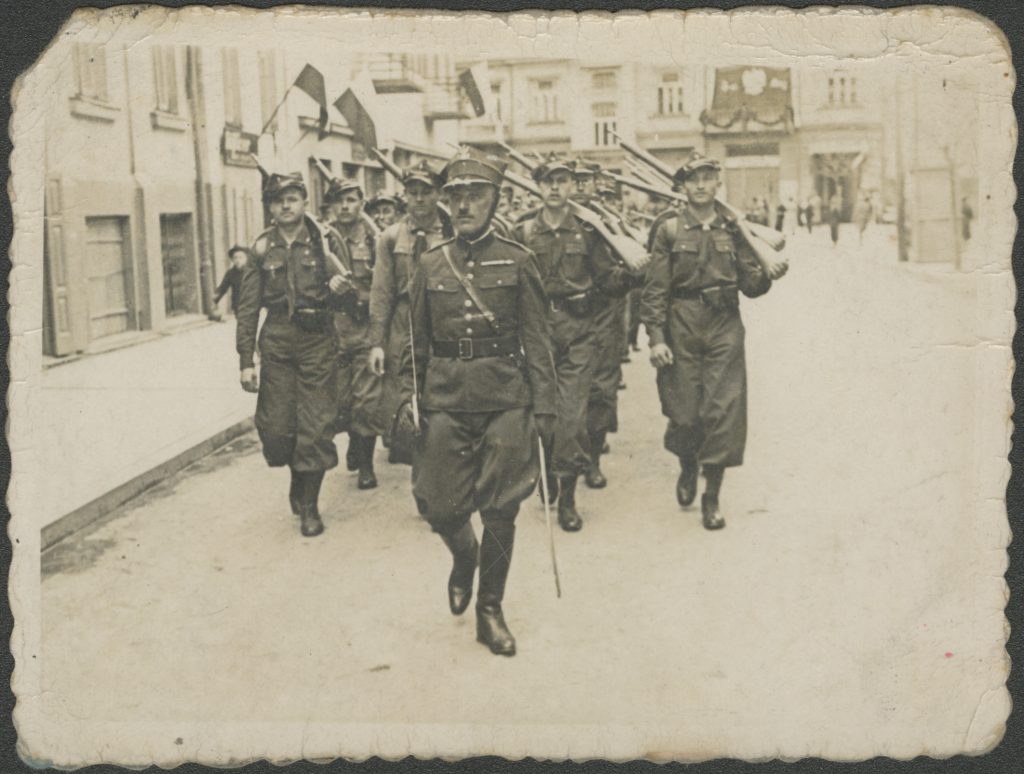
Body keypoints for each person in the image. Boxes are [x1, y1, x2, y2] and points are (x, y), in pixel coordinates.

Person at [396, 146, 555, 657]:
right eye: (457, 196)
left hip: (505, 396)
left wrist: (546, 409)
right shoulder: (429, 263)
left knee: (501, 509)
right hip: (444, 396)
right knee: (436, 504)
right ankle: (465, 556)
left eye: (476, 195)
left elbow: (538, 339)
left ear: (495, 200)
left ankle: (490, 608)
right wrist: (406, 396)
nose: (464, 206)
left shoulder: (519, 260)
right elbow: (413, 342)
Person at [640, 152, 774, 531]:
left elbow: (751, 285)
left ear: (718, 183)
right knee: (685, 413)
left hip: (723, 324)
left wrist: (768, 270)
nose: (700, 185)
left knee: (723, 410)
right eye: (693, 179)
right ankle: (688, 464)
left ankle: (711, 495)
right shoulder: (668, 229)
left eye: (707, 178)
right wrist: (656, 338)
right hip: (681, 323)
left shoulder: (734, 228)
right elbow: (655, 290)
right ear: (683, 186)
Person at [514, 156, 633, 530]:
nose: (555, 187)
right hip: (537, 332)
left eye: (562, 180)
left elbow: (606, 279)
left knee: (571, 417)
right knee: (542, 415)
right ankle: (548, 469)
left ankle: (567, 496)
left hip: (579, 332)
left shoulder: (588, 231)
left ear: (570, 186)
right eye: (548, 181)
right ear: (538, 186)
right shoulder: (523, 232)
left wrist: (632, 275)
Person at [235, 171, 352, 537]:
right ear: (270, 207)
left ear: (304, 202)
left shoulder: (325, 241)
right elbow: (248, 308)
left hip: (318, 341)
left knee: (315, 426)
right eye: (278, 200)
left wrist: (340, 291)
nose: (285, 205)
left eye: (292, 198)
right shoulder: (260, 248)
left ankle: (310, 506)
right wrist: (245, 361)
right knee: (276, 430)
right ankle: (297, 476)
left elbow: (352, 299)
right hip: (278, 343)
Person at [368, 161, 452, 459]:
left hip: (442, 321)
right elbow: (382, 294)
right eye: (412, 192)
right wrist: (377, 343)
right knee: (403, 401)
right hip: (403, 326)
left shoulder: (452, 233)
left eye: (426, 192)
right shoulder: (391, 237)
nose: (419, 199)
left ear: (439, 194)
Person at [324, 177, 385, 490]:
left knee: (367, 401)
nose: (345, 206)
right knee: (342, 400)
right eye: (339, 200)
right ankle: (354, 441)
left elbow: (385, 282)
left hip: (365, 328)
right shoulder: (322, 237)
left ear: (361, 202)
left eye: (351, 199)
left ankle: (366, 464)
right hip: (335, 330)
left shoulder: (375, 237)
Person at [213, 245, 249, 316]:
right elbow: (223, 288)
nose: (238, 260)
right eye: (235, 258)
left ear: (246, 259)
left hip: (252, 304)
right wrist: (214, 300)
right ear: (232, 260)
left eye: (240, 257)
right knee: (242, 322)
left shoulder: (251, 272)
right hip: (238, 305)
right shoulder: (231, 273)